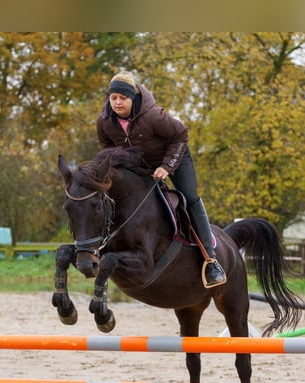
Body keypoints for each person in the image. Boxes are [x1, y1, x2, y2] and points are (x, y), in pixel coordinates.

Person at [96, 71, 226, 288]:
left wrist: (166, 166)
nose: (117, 102)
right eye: (113, 98)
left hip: (174, 158)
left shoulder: (153, 116)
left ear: (133, 97)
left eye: (123, 98)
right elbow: (107, 147)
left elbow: (181, 135)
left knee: (189, 198)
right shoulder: (104, 122)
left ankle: (211, 259)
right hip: (140, 166)